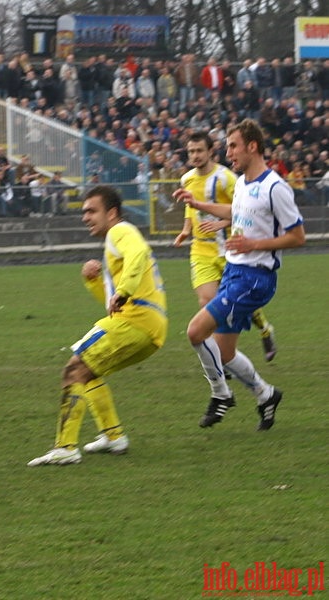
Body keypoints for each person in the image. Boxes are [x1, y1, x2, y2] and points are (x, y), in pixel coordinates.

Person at [173, 119, 305, 431]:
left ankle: (221, 394)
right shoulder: (244, 183)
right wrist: (197, 204)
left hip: (255, 279)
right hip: (235, 271)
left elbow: (298, 237)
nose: (228, 151)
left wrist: (253, 244)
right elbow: (234, 212)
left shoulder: (276, 187)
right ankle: (266, 394)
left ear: (252, 146)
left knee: (195, 332)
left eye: (233, 145)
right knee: (225, 350)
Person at [30, 186, 169, 467]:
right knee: (89, 373)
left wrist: (126, 289)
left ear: (112, 213)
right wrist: (94, 282)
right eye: (84, 212)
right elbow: (112, 304)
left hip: (136, 320)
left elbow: (139, 252)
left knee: (73, 369)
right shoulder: (113, 245)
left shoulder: (121, 231)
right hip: (147, 325)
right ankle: (113, 436)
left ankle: (66, 447)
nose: (85, 217)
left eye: (91, 211)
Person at [172, 131, 278, 362]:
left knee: (235, 299)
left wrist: (221, 222)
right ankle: (220, 356)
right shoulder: (187, 179)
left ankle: (264, 328)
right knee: (208, 302)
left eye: (200, 150)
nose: (195, 155)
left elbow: (242, 208)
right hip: (200, 250)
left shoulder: (226, 178)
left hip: (229, 248)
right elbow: (190, 207)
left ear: (211, 151)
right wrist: (186, 230)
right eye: (191, 151)